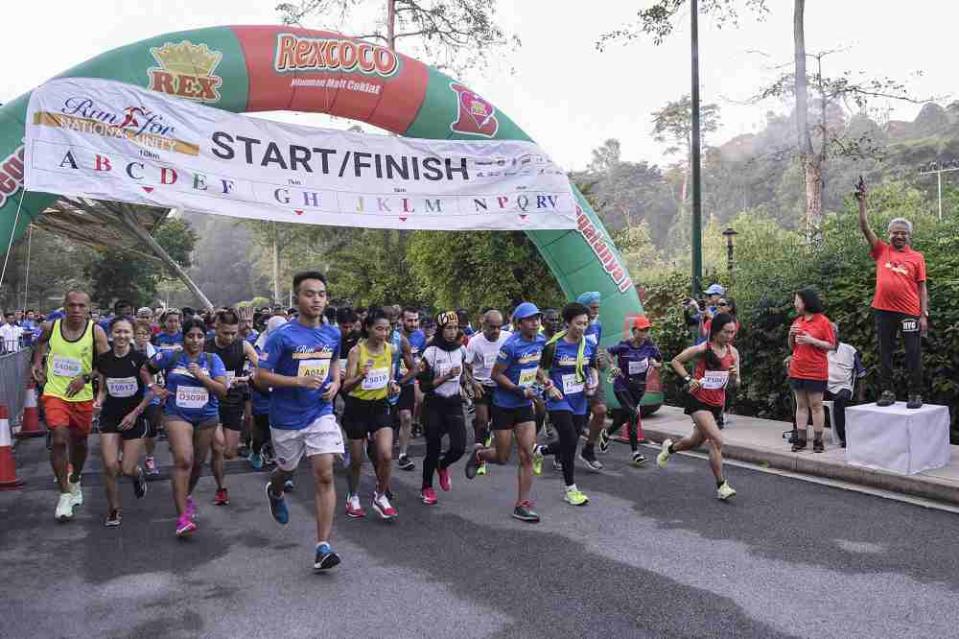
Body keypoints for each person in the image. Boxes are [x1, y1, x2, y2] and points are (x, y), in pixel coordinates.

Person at [258, 271, 345, 571]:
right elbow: (261, 375)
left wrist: (335, 383)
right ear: (297, 298)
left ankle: (323, 546)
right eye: (310, 294)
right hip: (285, 417)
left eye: (321, 294)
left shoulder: (333, 333)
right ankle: (275, 489)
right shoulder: (282, 336)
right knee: (287, 468)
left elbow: (334, 361)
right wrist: (296, 381)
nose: (317, 299)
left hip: (319, 412)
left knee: (324, 473)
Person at [145, 317, 228, 537]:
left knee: (198, 464)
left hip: (207, 417)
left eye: (200, 336)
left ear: (205, 338)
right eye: (191, 335)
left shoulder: (212, 359)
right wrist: (154, 387)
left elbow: (222, 390)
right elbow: (146, 369)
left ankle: (186, 495)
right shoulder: (172, 356)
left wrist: (201, 376)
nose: (195, 340)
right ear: (184, 337)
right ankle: (182, 518)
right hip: (176, 415)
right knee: (183, 460)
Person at [32, 290, 111, 521]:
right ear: (64, 307)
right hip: (55, 392)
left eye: (81, 306)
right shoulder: (51, 327)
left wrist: (87, 378)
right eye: (72, 305)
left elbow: (107, 363)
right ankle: (64, 493)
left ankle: (75, 478)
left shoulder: (96, 331)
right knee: (58, 438)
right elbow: (39, 344)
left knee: (80, 442)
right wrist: (37, 363)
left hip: (82, 396)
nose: (76, 310)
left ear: (88, 308)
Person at [464, 302, 545, 523]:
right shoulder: (509, 346)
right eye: (530, 319)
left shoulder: (540, 340)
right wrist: (519, 389)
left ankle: (522, 504)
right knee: (501, 457)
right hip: (504, 404)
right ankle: (480, 454)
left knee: (526, 454)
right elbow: (496, 374)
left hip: (523, 406)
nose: (535, 322)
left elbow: (533, 363)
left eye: (537, 318)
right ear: (519, 324)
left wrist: (543, 378)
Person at [857, 181, 928, 408]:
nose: (899, 236)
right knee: (885, 352)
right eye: (895, 232)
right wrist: (862, 203)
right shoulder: (881, 251)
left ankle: (915, 394)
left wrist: (923, 314)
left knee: (913, 352)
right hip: (884, 312)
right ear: (889, 234)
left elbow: (921, 287)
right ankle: (887, 392)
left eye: (903, 233)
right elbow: (864, 227)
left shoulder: (917, 257)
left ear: (909, 236)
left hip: (909, 314)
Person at [659, 312, 740, 501]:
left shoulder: (733, 353)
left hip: (717, 403)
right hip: (698, 401)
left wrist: (735, 376)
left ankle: (669, 449)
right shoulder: (703, 348)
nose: (730, 336)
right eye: (726, 332)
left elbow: (737, 384)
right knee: (717, 440)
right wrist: (689, 379)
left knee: (695, 442)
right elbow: (675, 361)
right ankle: (722, 486)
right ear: (716, 331)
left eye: (732, 333)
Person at [532, 302, 596, 506]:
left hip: (579, 400)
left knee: (572, 440)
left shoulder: (588, 345)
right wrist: (549, 386)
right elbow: (538, 370)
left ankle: (539, 451)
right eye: (578, 323)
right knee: (569, 439)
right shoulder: (553, 345)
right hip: (558, 399)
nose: (582, 327)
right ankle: (571, 489)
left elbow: (592, 367)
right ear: (568, 323)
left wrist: (592, 382)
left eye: (585, 323)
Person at [340, 308, 400, 519]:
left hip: (380, 406)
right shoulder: (357, 351)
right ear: (368, 328)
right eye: (379, 329)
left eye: (387, 329)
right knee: (356, 460)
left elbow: (389, 375)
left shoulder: (390, 349)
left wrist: (393, 385)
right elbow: (346, 387)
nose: (383, 333)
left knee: (385, 454)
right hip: (357, 407)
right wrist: (360, 376)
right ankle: (353, 496)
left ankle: (380, 496)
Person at [94, 317, 153, 526]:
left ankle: (137, 474)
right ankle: (113, 509)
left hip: (134, 417)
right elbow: (102, 389)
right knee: (110, 466)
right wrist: (98, 402)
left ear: (132, 334)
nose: (122, 336)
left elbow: (151, 391)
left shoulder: (140, 359)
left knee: (127, 469)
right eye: (118, 332)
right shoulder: (104, 360)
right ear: (111, 334)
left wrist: (135, 413)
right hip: (110, 417)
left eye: (126, 332)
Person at [205, 309, 258, 505]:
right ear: (216, 328)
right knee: (218, 448)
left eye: (233, 333)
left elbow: (261, 366)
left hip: (233, 401)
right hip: (210, 401)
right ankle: (221, 488)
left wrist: (245, 377)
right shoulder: (205, 346)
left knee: (229, 452)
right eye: (225, 333)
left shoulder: (243, 345)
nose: (229, 337)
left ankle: (217, 461)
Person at [418, 311, 470, 505]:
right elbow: (424, 386)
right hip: (434, 403)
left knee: (459, 447)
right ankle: (426, 486)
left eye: (455, 328)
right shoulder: (430, 352)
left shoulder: (461, 350)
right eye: (448, 328)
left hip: (454, 402)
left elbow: (464, 373)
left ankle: (443, 464)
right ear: (441, 330)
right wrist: (446, 377)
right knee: (433, 447)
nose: (452, 332)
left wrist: (468, 385)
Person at [601, 315, 663, 464]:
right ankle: (635, 452)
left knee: (625, 416)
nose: (645, 333)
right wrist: (613, 366)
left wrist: (654, 363)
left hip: (639, 387)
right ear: (634, 331)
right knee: (634, 414)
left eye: (647, 330)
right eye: (642, 330)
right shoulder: (624, 345)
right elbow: (607, 352)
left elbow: (659, 360)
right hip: (622, 385)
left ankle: (607, 433)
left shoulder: (650, 346)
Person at [787, 289, 836, 453]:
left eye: (797, 301)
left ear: (806, 302)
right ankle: (801, 439)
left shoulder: (823, 322)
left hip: (816, 370)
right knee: (801, 405)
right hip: (797, 369)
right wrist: (790, 335)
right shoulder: (797, 321)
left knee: (816, 405)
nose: (795, 304)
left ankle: (818, 440)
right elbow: (792, 347)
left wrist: (811, 340)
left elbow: (831, 345)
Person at [465, 309, 510, 477]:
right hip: (482, 386)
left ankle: (485, 449)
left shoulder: (508, 338)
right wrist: (473, 383)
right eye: (492, 327)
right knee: (483, 421)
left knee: (497, 422)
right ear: (483, 325)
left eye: (499, 327)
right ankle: (479, 458)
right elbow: (466, 367)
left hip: (500, 386)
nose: (496, 331)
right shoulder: (474, 342)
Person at [575, 292, 609, 472]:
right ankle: (557, 451)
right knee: (573, 421)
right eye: (593, 308)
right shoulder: (571, 327)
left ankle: (588, 450)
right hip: (573, 375)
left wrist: (600, 361)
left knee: (601, 410)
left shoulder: (598, 326)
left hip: (591, 373)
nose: (597, 311)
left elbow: (595, 351)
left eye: (598, 307)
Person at [826, 323, 867, 448]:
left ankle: (843, 437)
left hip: (842, 386)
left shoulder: (849, 350)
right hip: (823, 385)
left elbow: (861, 374)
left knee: (840, 399)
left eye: (832, 332)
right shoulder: (821, 349)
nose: (829, 335)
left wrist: (860, 397)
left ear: (837, 334)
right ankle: (799, 433)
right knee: (801, 391)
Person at [395, 307, 426, 470]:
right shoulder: (393, 336)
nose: (413, 323)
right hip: (388, 382)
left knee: (406, 416)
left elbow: (423, 357)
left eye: (416, 320)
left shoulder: (421, 337)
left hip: (407, 381)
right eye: (409, 320)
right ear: (401, 320)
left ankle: (403, 454)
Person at [133, 320, 162, 476]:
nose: (142, 337)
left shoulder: (156, 352)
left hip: (151, 395)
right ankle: (127, 458)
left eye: (146, 333)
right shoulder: (126, 350)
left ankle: (150, 458)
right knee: (129, 428)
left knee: (151, 428)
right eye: (139, 333)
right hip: (130, 395)